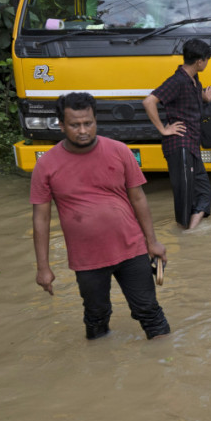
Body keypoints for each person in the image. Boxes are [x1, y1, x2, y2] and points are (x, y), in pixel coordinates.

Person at [31, 92, 170, 341]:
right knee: (96, 316)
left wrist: (153, 242)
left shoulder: (119, 151)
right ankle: (99, 370)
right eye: (75, 125)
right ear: (61, 125)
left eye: (88, 123)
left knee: (149, 312)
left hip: (132, 249)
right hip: (87, 259)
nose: (83, 130)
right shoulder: (46, 165)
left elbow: (138, 198)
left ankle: (164, 367)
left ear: (96, 121)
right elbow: (40, 219)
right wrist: (43, 267)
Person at [142, 39, 211, 230]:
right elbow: (149, 101)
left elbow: (190, 96)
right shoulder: (176, 80)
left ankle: (189, 236)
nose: (207, 64)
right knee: (185, 197)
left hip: (192, 144)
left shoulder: (192, 80)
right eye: (207, 60)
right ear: (199, 62)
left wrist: (205, 97)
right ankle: (185, 234)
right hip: (180, 145)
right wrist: (163, 129)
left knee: (204, 192)